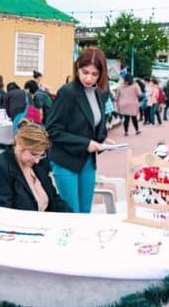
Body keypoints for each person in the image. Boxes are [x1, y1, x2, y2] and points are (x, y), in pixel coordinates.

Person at [46, 47, 116, 213]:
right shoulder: (68, 92)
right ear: (77, 68)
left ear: (101, 74)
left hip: (87, 162)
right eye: (85, 72)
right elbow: (52, 129)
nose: (88, 78)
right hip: (65, 161)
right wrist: (86, 143)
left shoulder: (99, 92)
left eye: (94, 74)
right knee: (73, 214)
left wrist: (103, 139)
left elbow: (93, 124)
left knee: (85, 212)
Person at [0, 120, 72, 212]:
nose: (37, 160)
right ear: (19, 146)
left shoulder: (38, 163)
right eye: (33, 154)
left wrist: (73, 217)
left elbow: (53, 198)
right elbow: (2, 212)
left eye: (41, 155)